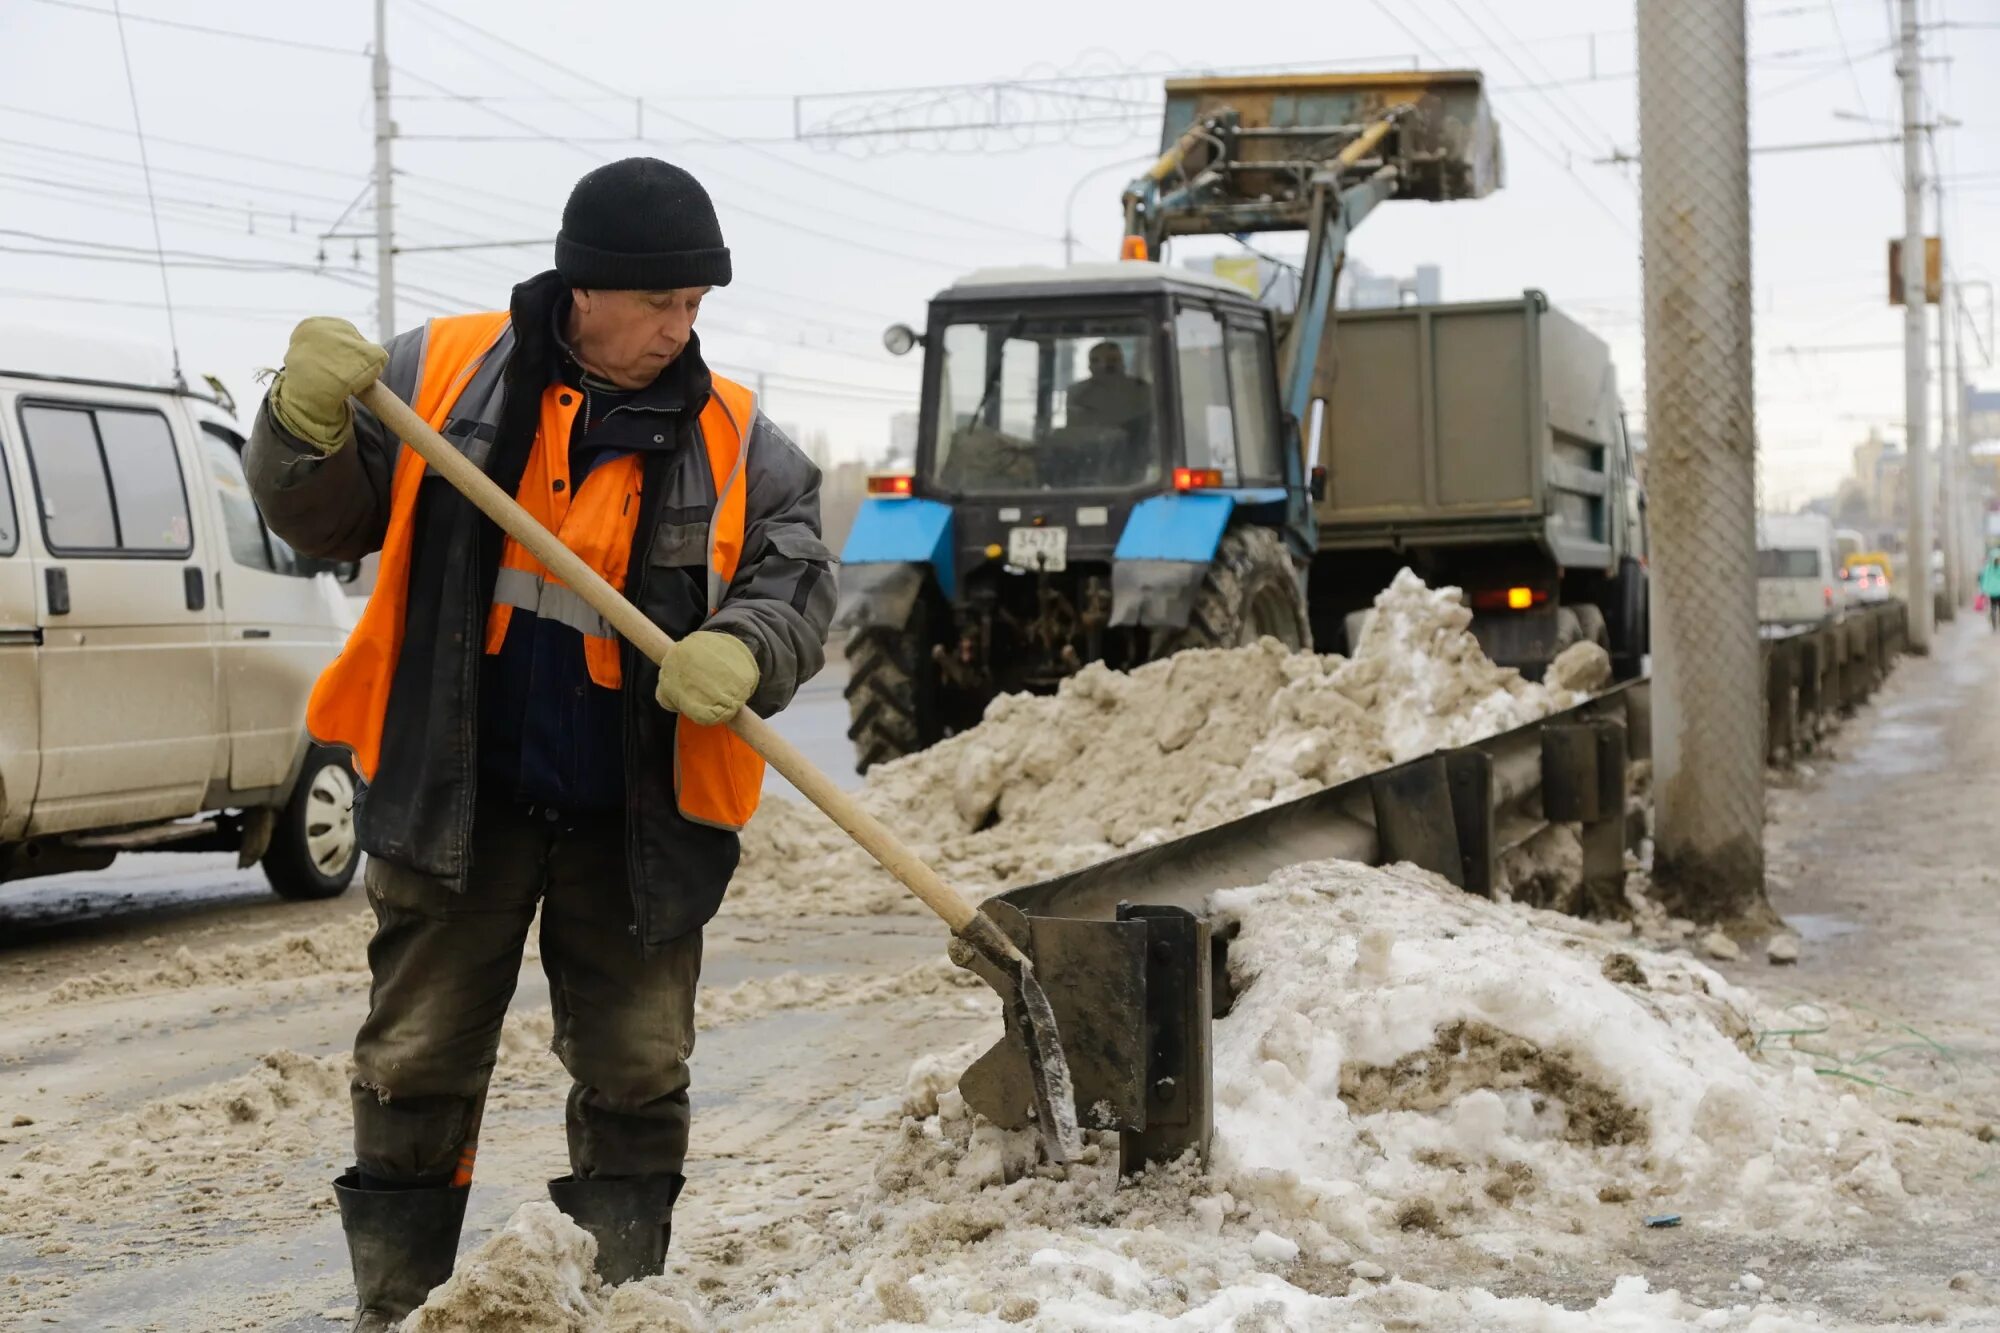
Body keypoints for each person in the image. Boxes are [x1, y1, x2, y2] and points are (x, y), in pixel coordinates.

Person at [245, 157, 835, 1330]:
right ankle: (398, 1307)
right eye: (664, 303)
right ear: (588, 287)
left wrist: (749, 645)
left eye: (696, 306)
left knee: (635, 1070)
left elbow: (798, 575)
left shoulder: (735, 436)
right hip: (459, 798)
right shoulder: (436, 376)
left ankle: (620, 1301)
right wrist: (297, 428)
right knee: (413, 1061)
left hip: (636, 818)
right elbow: (327, 518)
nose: (684, 328)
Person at [1064, 340, 1152, 438]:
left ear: (1122, 363)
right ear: (1089, 366)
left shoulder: (1140, 390)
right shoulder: (1077, 393)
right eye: (1095, 360)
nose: (1104, 366)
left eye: (1112, 360)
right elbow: (1073, 432)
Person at [1981, 552, 2000, 630]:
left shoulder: (1988, 568)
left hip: (1992, 591)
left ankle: (1993, 622)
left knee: (1993, 606)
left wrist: (1984, 589)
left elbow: (1985, 579)